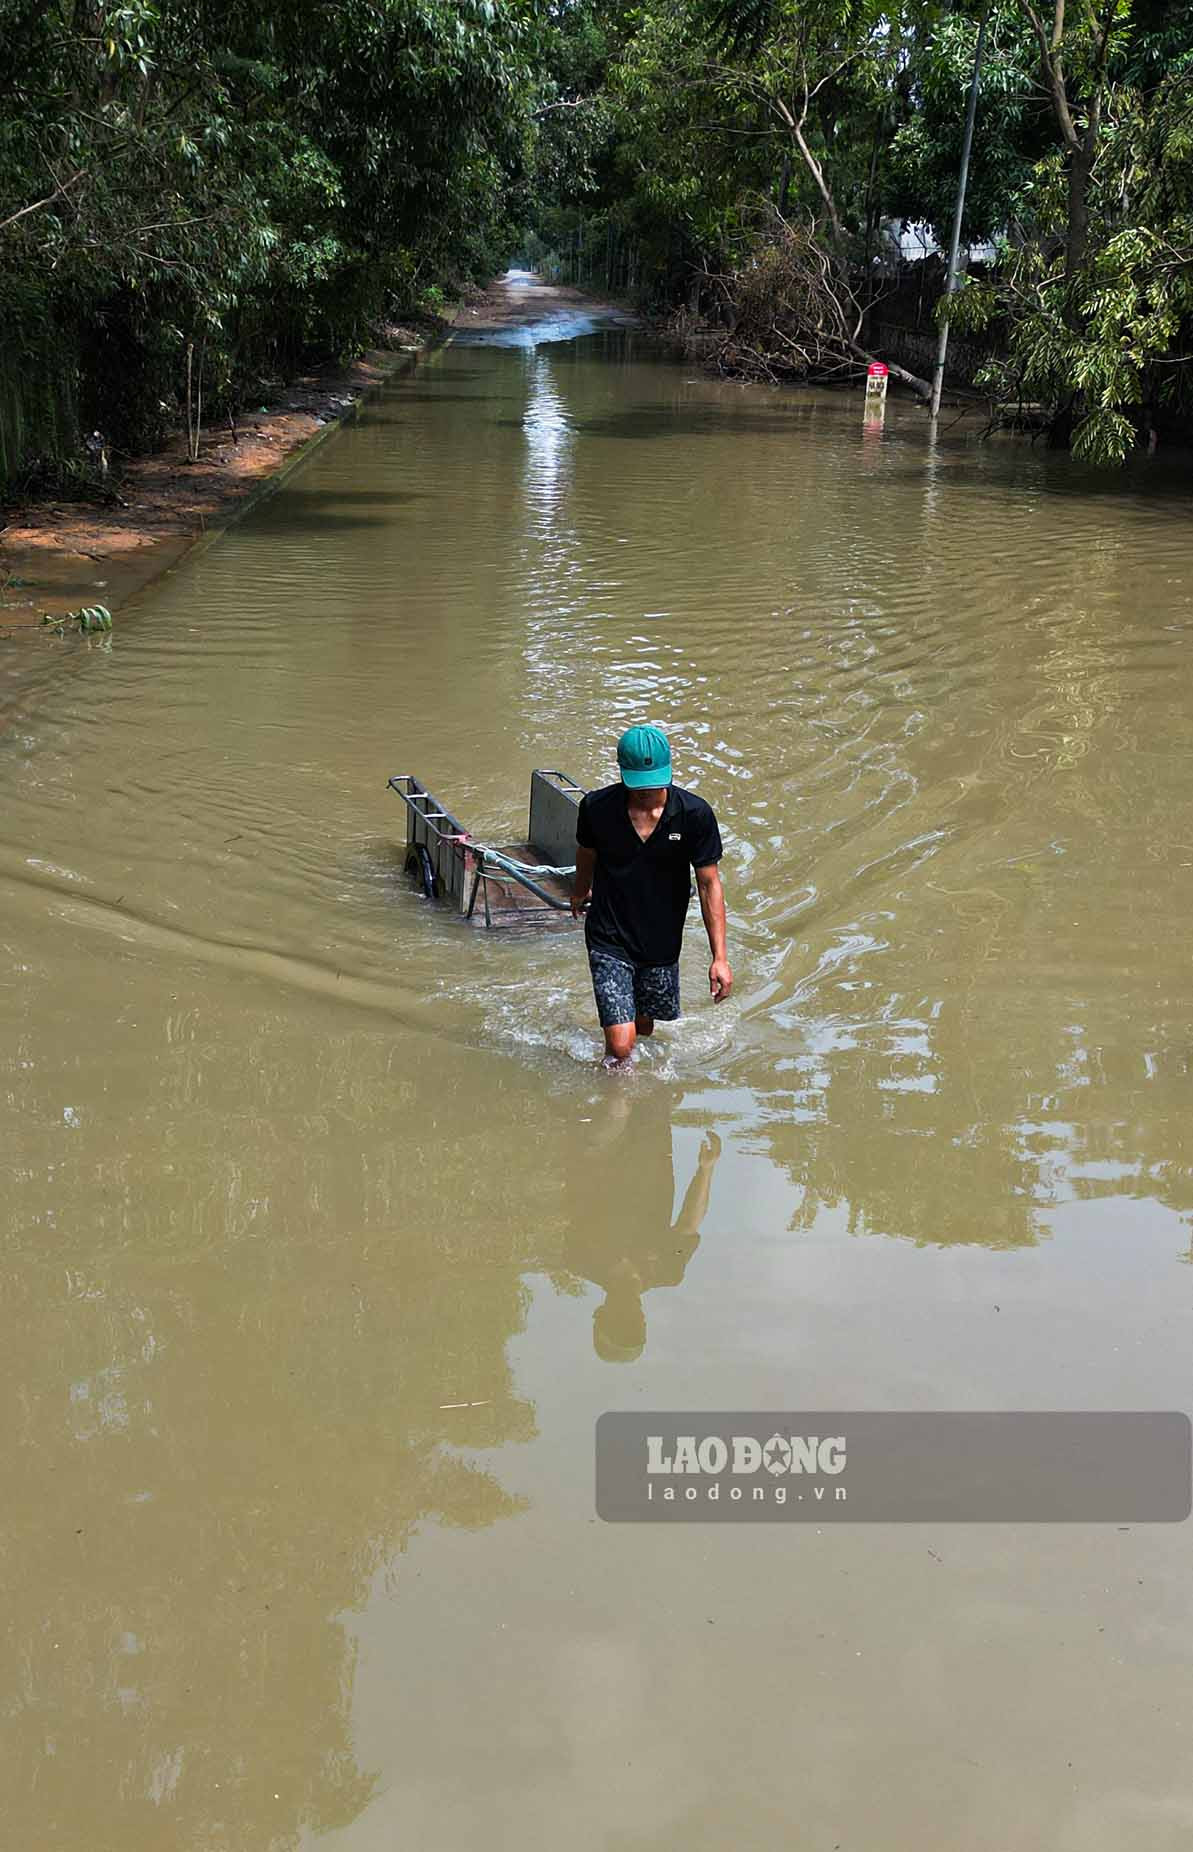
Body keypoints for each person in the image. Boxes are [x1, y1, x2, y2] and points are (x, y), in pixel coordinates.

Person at [571, 724, 732, 1065]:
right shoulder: (596, 808)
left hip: (661, 941)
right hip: (608, 935)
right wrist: (580, 889)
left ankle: (640, 1097)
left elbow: (708, 885)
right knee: (621, 1046)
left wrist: (720, 957)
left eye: (655, 784)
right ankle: (612, 1101)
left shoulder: (694, 815)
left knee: (643, 1026)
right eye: (640, 786)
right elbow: (586, 852)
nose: (649, 794)